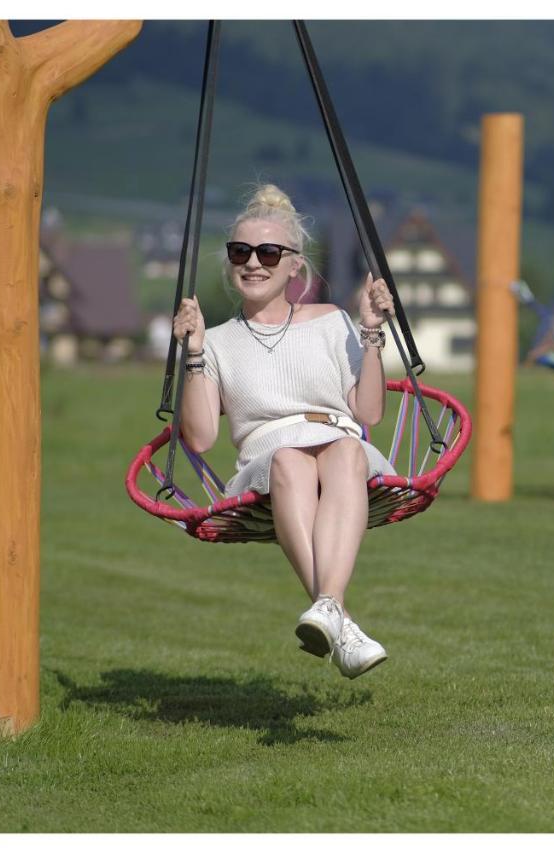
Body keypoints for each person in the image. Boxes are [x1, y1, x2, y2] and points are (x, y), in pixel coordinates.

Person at [172, 183, 396, 679]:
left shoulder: (332, 321)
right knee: (291, 461)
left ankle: (330, 610)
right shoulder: (218, 342)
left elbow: (370, 413)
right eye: (241, 252)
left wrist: (372, 333)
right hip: (270, 460)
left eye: (269, 253)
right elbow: (202, 436)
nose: (254, 263)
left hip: (340, 443)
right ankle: (338, 615)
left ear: (295, 264)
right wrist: (192, 352)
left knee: (348, 450)